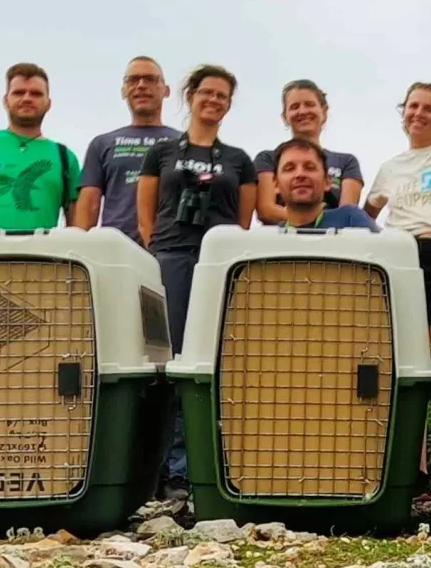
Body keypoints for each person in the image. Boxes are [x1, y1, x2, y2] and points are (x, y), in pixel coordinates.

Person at [140, 65, 256, 488]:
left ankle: (204, 465)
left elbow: (242, 222)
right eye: (207, 92)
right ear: (190, 96)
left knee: (213, 358)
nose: (214, 100)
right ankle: (165, 468)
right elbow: (146, 217)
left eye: (222, 95)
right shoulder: (161, 153)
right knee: (167, 360)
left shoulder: (238, 160)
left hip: (218, 264)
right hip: (171, 257)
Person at [364, 82, 431, 363]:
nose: (419, 113)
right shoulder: (389, 168)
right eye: (413, 106)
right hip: (398, 257)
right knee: (394, 351)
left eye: (429, 109)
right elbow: (367, 215)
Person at [0, 63, 79, 234]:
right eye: (19, 92)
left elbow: (76, 228)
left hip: (43, 251)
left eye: (36, 93)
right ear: (6, 101)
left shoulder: (65, 157)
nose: (27, 98)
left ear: (48, 103)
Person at [76, 55, 177, 237]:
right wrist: (78, 246)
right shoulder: (102, 144)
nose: (141, 85)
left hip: (170, 245)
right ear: (123, 91)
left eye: (150, 79)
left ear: (166, 90)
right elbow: (89, 204)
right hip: (116, 247)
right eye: (133, 80)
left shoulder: (183, 142)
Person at [253, 79, 363, 219]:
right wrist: (306, 219)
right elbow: (266, 210)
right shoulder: (268, 159)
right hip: (281, 233)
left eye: (310, 105)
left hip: (331, 234)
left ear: (324, 111)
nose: (303, 111)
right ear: (284, 117)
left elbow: (345, 216)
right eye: (294, 107)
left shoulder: (346, 162)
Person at [268, 140, 380, 230]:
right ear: (276, 184)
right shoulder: (272, 240)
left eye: (310, 167)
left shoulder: (350, 219)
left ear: (327, 181)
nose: (300, 174)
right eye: (289, 168)